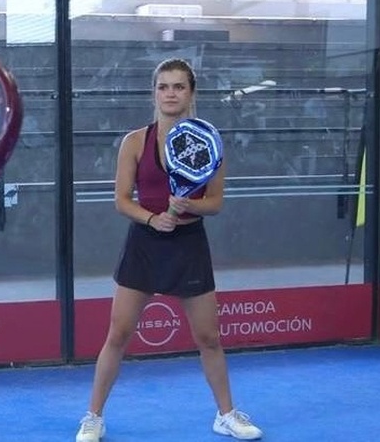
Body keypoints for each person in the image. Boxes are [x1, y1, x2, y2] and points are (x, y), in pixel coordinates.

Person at [75, 58, 263, 442]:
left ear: (191, 94)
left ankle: (226, 415)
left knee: (209, 337)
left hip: (189, 244)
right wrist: (151, 219)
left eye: (179, 86)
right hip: (143, 244)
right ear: (155, 93)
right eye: (164, 86)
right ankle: (93, 417)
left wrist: (188, 206)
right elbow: (122, 199)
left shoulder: (210, 144)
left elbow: (215, 202)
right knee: (119, 333)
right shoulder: (133, 142)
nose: (171, 93)